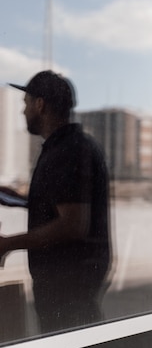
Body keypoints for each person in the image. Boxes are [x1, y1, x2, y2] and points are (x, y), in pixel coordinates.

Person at [0, 70, 111, 334]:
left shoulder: (68, 151)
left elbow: (73, 224)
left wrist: (7, 244)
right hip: (69, 282)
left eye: (25, 104)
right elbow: (61, 204)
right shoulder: (68, 146)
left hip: (68, 283)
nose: (22, 111)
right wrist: (14, 197)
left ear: (40, 105)